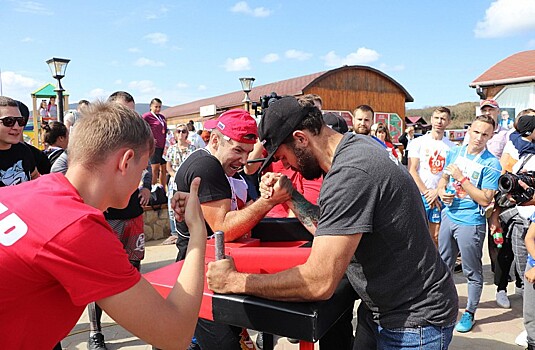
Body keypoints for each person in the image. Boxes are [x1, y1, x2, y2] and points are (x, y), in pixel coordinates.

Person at [207, 96, 458, 349]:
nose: (284, 165)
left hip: (414, 321)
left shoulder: (351, 173)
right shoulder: (355, 148)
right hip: (385, 309)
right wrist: (292, 197)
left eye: (284, 157)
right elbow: (333, 226)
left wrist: (234, 281)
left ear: (301, 139)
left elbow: (318, 282)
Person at [0, 101, 208, 350]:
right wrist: (197, 233)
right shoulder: (77, 228)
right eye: (142, 170)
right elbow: (174, 334)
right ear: (126, 161)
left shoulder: (23, 192)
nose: (140, 182)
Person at [172, 109, 290, 350]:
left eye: (248, 153)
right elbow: (223, 227)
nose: (244, 160)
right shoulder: (207, 166)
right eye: (237, 150)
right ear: (215, 140)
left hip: (207, 272)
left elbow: (238, 211)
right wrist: (267, 201)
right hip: (201, 276)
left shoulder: (218, 166)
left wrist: (261, 194)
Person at [86, 91, 153, 350]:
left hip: (133, 215)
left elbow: (149, 165)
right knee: (99, 276)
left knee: (133, 268)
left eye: (132, 110)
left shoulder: (140, 137)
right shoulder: (101, 140)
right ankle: (95, 332)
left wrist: (146, 185)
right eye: (123, 110)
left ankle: (134, 319)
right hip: (106, 218)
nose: (129, 116)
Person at [437, 114, 502, 333]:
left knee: (471, 271)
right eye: (476, 132)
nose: (479, 137)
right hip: (449, 215)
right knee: (443, 264)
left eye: (485, 134)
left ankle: (470, 313)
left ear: (491, 136)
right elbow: (443, 179)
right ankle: (444, 306)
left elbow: (486, 198)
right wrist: (442, 192)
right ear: (469, 131)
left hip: (471, 222)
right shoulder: (455, 152)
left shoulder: (491, 163)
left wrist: (462, 178)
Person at [407, 107, 455, 246]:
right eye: (436, 118)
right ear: (431, 119)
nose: (439, 122)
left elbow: (449, 174)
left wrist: (436, 192)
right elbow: (412, 170)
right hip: (421, 195)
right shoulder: (417, 142)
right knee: (417, 235)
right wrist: (427, 193)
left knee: (436, 236)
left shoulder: (451, 147)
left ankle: (436, 266)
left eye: (443, 119)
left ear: (448, 122)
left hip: (439, 195)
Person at [163, 124, 196, 245]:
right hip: (174, 179)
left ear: (187, 133)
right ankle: (174, 233)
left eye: (183, 131)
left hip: (187, 181)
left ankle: (188, 231)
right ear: (175, 134)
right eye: (178, 131)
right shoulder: (171, 149)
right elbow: (168, 166)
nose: (181, 134)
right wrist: (174, 176)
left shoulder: (192, 149)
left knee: (188, 205)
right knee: (172, 205)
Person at [0, 96, 38, 186]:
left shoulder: (23, 150)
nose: (17, 127)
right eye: (8, 121)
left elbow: (35, 176)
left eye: (20, 121)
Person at [143, 98, 168, 187]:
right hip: (154, 146)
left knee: (164, 168)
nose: (158, 109)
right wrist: (149, 138)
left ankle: (162, 189)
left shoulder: (162, 117)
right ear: (151, 107)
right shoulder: (146, 116)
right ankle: (152, 188)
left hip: (163, 145)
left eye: (159, 107)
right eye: (156, 107)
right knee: (155, 168)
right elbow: (142, 129)